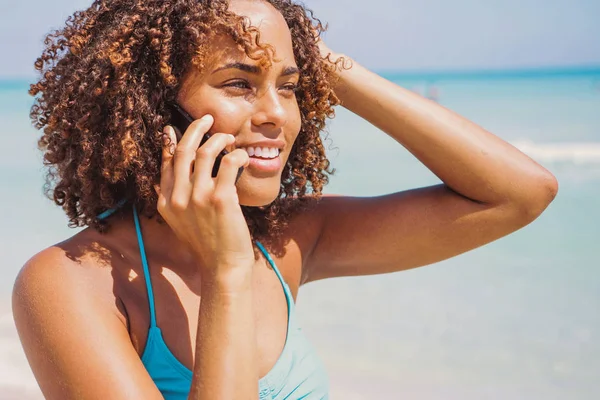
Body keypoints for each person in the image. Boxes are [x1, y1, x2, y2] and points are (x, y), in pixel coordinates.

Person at [12, 0, 558, 399]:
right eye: (238, 84)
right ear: (151, 107)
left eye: (291, 87)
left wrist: (327, 65)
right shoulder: (69, 282)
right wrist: (225, 270)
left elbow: (519, 194)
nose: (278, 114)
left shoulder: (286, 242)